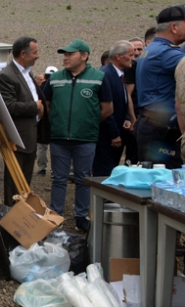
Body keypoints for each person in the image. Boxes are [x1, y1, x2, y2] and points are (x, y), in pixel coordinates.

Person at [43, 39, 113, 234]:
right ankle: (55, 217)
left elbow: (107, 109)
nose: (65, 58)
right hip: (59, 139)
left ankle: (81, 217)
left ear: (84, 56)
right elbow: (47, 105)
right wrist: (59, 122)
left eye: (70, 54)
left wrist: (87, 123)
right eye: (64, 54)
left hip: (85, 139)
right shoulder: (55, 78)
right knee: (58, 178)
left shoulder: (98, 77)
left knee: (83, 178)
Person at [0, 36, 46, 206]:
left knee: (25, 188)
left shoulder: (27, 74)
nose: (38, 56)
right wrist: (35, 106)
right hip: (17, 140)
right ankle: (12, 223)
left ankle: (23, 221)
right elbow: (7, 107)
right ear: (23, 54)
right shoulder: (6, 76)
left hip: (29, 139)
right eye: (35, 52)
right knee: (15, 189)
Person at [135, 6, 185, 169]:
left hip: (151, 124)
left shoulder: (153, 49)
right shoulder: (167, 54)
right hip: (162, 130)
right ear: (174, 27)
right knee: (166, 181)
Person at [94, 41, 135, 176]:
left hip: (116, 133)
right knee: (104, 173)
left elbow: (121, 101)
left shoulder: (119, 75)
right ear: (119, 56)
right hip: (106, 137)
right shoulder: (106, 74)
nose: (134, 59)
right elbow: (106, 108)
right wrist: (114, 134)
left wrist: (127, 118)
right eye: (131, 55)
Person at [36, 66, 57, 176]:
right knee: (57, 147)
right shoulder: (59, 87)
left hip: (42, 121)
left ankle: (42, 168)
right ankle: (55, 170)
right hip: (56, 121)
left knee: (42, 146)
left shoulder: (40, 88)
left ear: (44, 76)